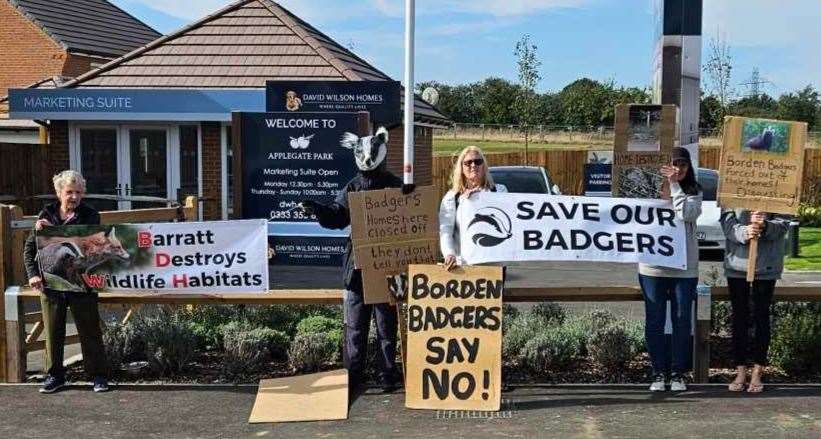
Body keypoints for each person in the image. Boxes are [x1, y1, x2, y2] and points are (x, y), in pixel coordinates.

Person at [300, 127, 410, 397]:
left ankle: (387, 373)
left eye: (372, 152)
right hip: (357, 270)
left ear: (382, 149)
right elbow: (338, 217)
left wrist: (412, 196)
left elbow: (413, 220)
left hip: (388, 268)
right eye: (362, 152)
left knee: (387, 327)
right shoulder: (352, 186)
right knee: (355, 327)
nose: (368, 157)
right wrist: (319, 209)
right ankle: (353, 375)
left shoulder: (397, 186)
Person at [23, 170, 109, 394]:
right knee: (53, 332)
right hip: (51, 283)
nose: (74, 197)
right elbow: (30, 248)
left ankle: (98, 376)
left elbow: (89, 245)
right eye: (69, 192)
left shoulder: (90, 215)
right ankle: (54, 376)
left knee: (90, 330)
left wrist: (51, 233)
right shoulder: (46, 214)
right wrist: (33, 274)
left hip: (82, 282)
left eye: (78, 192)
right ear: (59, 192)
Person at [637, 147, 702, 392]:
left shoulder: (695, 191)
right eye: (674, 164)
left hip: (684, 269)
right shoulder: (649, 190)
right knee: (654, 320)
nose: (679, 169)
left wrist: (675, 186)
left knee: (681, 320)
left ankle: (677, 374)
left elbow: (687, 212)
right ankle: (657, 373)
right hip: (653, 267)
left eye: (683, 165)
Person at [721, 209, 789, 393]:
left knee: (761, 318)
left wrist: (764, 226)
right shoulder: (731, 188)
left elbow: (783, 225)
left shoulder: (782, 186)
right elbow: (727, 223)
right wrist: (745, 232)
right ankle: (740, 371)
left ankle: (758, 371)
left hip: (766, 266)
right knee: (739, 317)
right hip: (737, 265)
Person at [439, 145, 507, 271]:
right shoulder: (452, 197)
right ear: (461, 167)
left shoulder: (500, 191)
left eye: (478, 161)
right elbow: (445, 230)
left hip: (494, 265)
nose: (473, 165)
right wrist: (449, 254)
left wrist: (480, 196)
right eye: (468, 162)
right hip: (465, 266)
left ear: (484, 166)